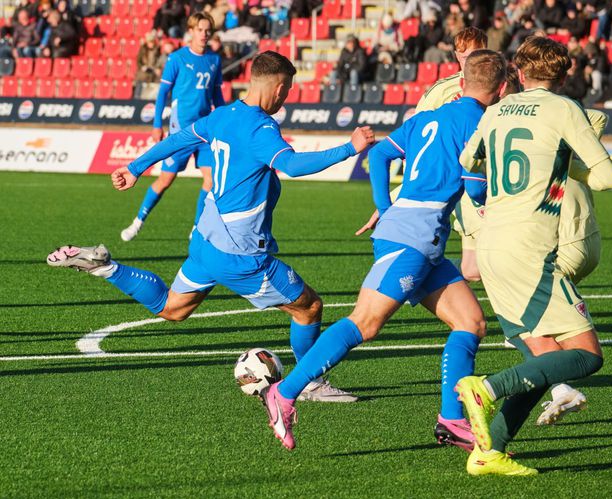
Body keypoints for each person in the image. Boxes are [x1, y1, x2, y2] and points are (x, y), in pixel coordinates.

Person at [47, 50, 375, 403]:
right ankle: (308, 382)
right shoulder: (261, 127)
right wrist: (350, 148)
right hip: (241, 252)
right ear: (279, 87)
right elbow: (292, 165)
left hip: (206, 241)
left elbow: (178, 140)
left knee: (173, 308)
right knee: (308, 307)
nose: (288, 96)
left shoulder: (222, 115)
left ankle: (105, 266)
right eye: (289, 89)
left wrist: (135, 167)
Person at [260, 49, 508, 452]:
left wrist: (384, 204)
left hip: (420, 237)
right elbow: (476, 187)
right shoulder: (481, 124)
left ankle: (451, 418)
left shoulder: (428, 116)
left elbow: (379, 154)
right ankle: (283, 394)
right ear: (500, 90)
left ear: (461, 83)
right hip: (412, 236)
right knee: (366, 322)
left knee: (471, 322)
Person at [455, 36, 612, 476]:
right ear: (564, 76)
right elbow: (607, 177)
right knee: (587, 355)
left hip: (491, 242)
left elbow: (469, 162)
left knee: (543, 361)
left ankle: (491, 451)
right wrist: (571, 164)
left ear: (519, 74)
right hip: (529, 250)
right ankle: (486, 388)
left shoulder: (494, 111)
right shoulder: (565, 109)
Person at [120, 13, 224, 242]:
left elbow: (216, 93)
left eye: (208, 30)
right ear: (191, 31)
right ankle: (138, 222)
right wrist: (157, 124)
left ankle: (197, 228)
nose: (205, 34)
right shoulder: (176, 58)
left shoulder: (215, 60)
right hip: (181, 131)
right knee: (165, 180)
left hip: (205, 130)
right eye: (200, 29)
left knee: (211, 180)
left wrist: (224, 119)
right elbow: (162, 94)